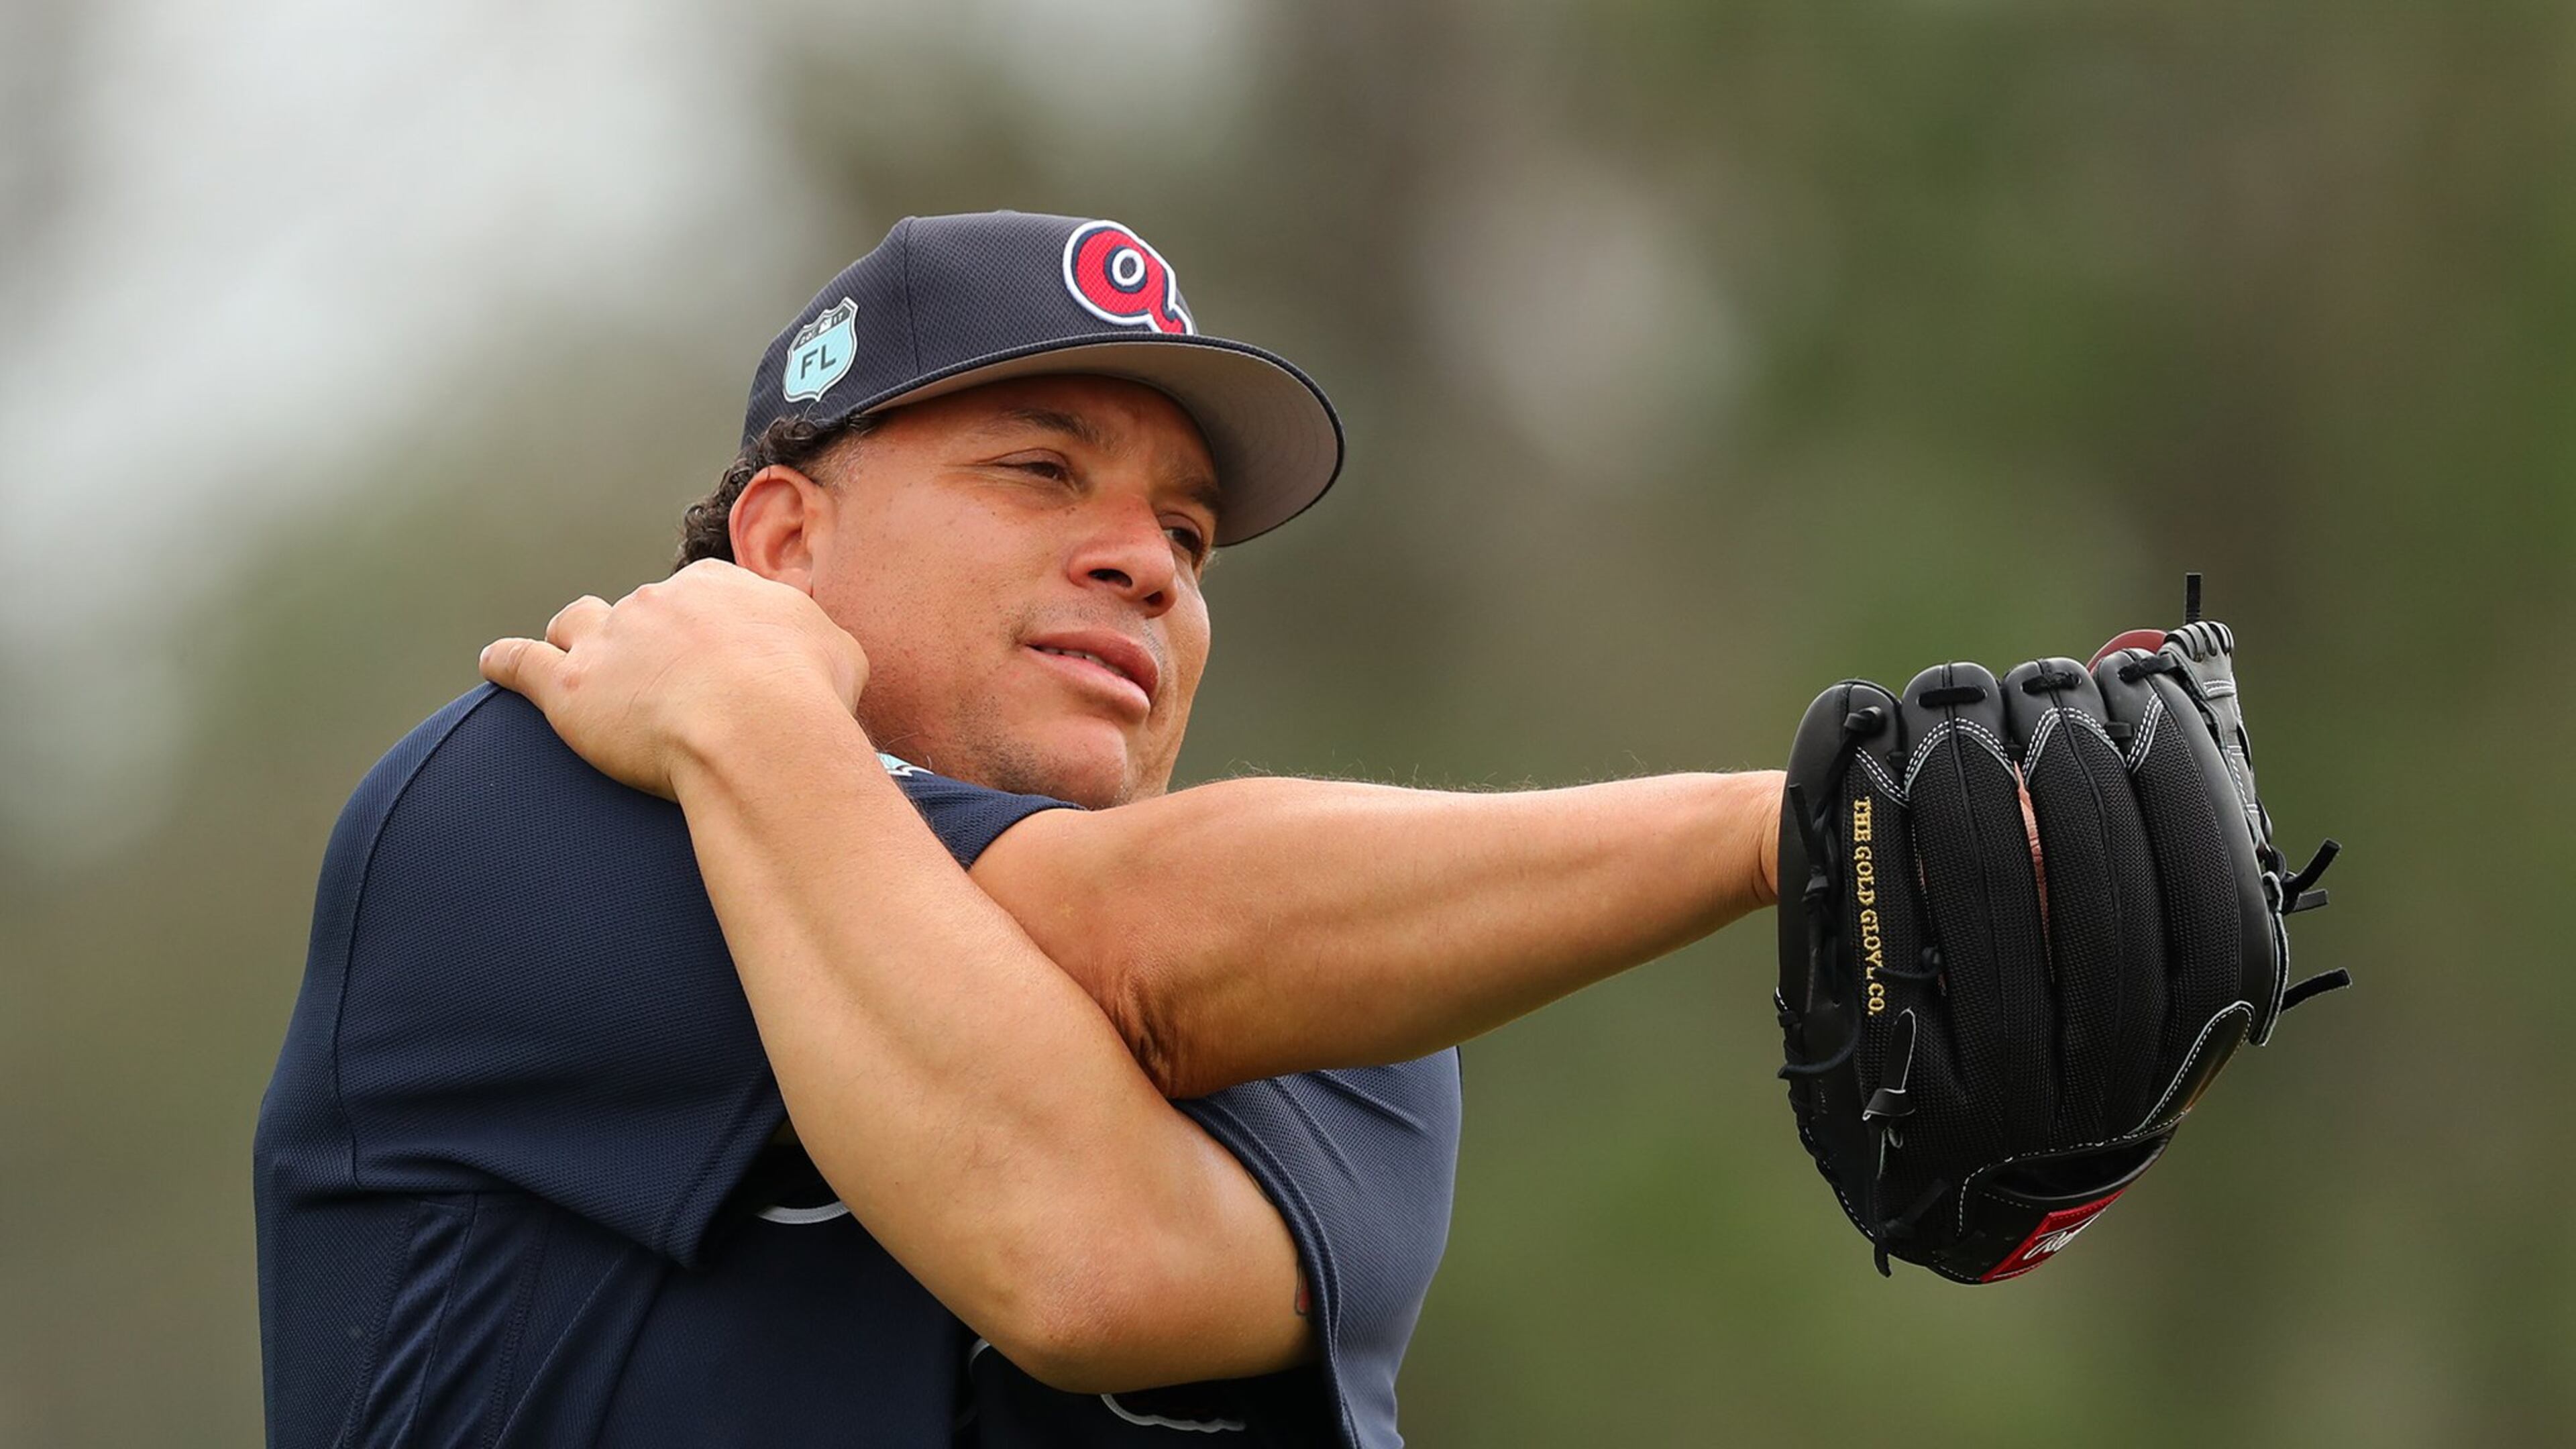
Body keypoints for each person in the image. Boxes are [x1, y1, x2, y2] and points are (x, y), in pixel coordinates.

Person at [254, 211, 1783, 1448]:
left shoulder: (1349, 982)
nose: (1151, 567)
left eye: (1187, 535)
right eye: (1042, 472)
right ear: (783, 543)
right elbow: (1085, 1256)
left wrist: (756, 728)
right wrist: (1793, 828)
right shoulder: (540, 791)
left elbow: (1116, 1205)